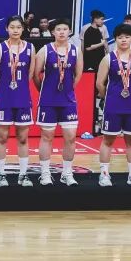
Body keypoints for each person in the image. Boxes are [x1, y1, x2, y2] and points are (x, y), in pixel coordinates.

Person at [96, 24, 131, 187]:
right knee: (108, 140)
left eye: (126, 37)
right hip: (113, 105)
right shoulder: (108, 58)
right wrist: (109, 97)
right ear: (116, 39)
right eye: (120, 37)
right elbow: (99, 84)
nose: (123, 40)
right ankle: (104, 174)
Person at [33, 19, 83, 186]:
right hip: (48, 100)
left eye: (65, 29)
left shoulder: (76, 50)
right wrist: (44, 90)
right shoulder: (45, 50)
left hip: (68, 101)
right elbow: (36, 74)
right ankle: (45, 173)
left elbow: (78, 74)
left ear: (69, 31)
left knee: (70, 137)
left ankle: (67, 173)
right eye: (58, 29)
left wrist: (68, 89)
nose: (61, 32)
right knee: (47, 137)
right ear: (53, 32)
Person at [0, 16, 33, 186]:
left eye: (18, 27)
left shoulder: (30, 48)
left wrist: (20, 87)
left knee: (23, 138)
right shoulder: (0, 48)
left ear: (23, 29)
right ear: (7, 28)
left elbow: (30, 73)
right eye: (12, 27)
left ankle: (23, 174)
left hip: (22, 99)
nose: (15, 30)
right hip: (4, 99)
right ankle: (1, 174)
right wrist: (1, 89)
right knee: (2, 137)